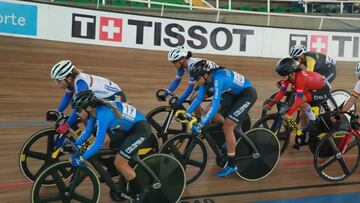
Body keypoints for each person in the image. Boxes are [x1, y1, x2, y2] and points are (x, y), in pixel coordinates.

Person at [179, 60, 257, 177]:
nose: (195, 81)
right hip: (232, 93)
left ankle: (232, 165)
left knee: (227, 126)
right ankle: (228, 133)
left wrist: (201, 124)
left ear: (205, 75)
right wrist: (187, 113)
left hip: (247, 94)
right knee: (207, 111)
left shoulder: (218, 78)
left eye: (197, 78)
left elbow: (215, 105)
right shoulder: (205, 79)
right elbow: (198, 98)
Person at [71, 90, 150, 198]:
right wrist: (75, 144)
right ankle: (113, 168)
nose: (77, 113)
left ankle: (142, 194)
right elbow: (87, 131)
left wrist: (81, 158)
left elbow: (97, 143)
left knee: (120, 163)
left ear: (88, 108)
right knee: (105, 141)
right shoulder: (93, 111)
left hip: (139, 129)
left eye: (79, 110)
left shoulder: (103, 113)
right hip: (126, 128)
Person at [264, 57, 331, 146]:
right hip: (311, 88)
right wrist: (270, 104)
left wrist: (288, 114)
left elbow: (299, 101)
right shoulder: (289, 77)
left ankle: (313, 119)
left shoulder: (300, 79)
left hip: (323, 90)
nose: (283, 78)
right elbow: (280, 93)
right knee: (302, 114)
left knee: (299, 99)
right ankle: (304, 135)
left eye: (284, 75)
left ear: (291, 73)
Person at [47, 60, 126, 134]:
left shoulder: (81, 85)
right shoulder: (71, 82)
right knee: (84, 113)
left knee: (85, 114)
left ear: (68, 78)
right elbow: (67, 97)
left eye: (59, 80)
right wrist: (58, 112)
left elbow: (79, 108)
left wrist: (67, 124)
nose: (57, 83)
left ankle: (100, 139)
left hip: (115, 97)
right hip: (104, 97)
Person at [158, 46, 218, 116]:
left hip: (215, 80)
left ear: (182, 59)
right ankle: (203, 116)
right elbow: (176, 81)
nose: (173, 64)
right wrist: (165, 94)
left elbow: (190, 88)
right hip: (204, 79)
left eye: (174, 62)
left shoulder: (192, 66)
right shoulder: (182, 66)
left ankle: (198, 123)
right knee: (192, 100)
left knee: (193, 99)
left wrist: (179, 101)